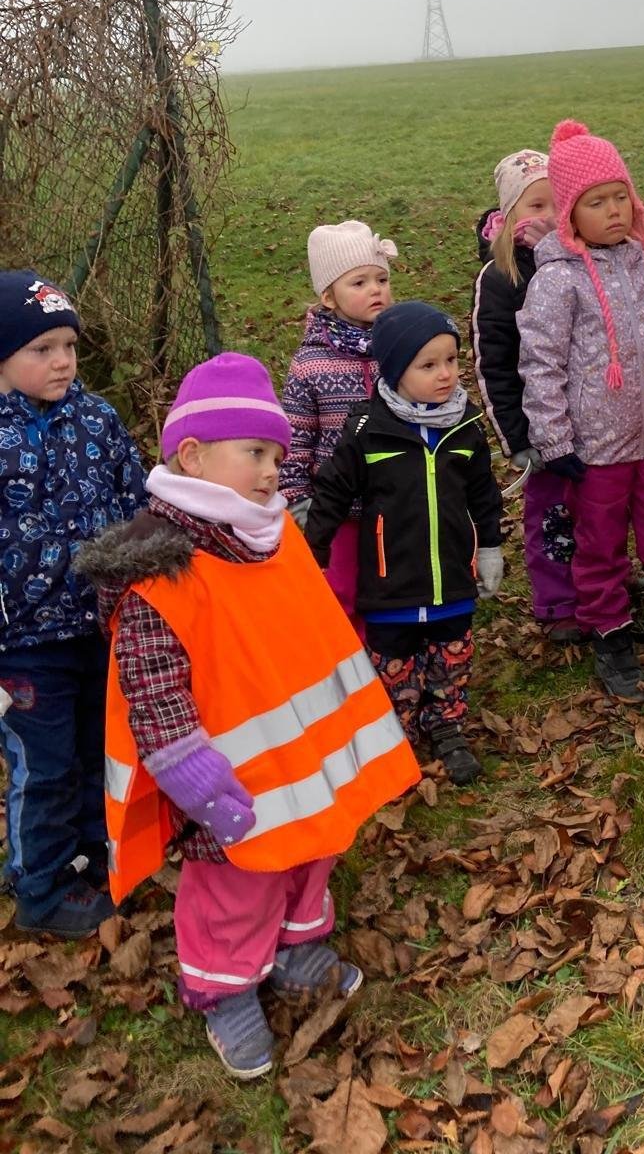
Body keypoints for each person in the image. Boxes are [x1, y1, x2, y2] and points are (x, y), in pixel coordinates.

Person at [76, 353, 419, 1077]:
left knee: (312, 851)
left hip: (305, 759)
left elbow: (311, 630)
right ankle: (223, 987)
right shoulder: (159, 571)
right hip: (227, 777)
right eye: (254, 453)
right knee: (236, 888)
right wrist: (193, 778)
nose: (271, 472)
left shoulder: (269, 534)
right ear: (193, 456)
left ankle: (296, 944)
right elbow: (153, 689)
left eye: (276, 456)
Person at [517, 120, 644, 703]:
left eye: (619, 197)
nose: (613, 211)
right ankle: (609, 627)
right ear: (570, 214)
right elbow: (541, 363)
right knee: (598, 543)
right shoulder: (557, 280)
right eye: (595, 202)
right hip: (594, 450)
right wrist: (554, 439)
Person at [0, 270, 145, 937]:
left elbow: (134, 500)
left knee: (95, 748)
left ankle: (92, 857)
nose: (62, 361)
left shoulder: (97, 419)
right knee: (45, 765)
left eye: (69, 346)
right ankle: (42, 886)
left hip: (94, 624)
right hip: (21, 645)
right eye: (42, 349)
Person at [305, 301, 503, 786]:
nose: (445, 374)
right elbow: (333, 490)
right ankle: (398, 728)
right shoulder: (368, 429)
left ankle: (447, 723)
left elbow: (483, 493)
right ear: (395, 371)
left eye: (451, 360)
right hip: (391, 579)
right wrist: (316, 548)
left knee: (451, 653)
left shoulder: (465, 426)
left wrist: (489, 547)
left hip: (451, 576)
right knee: (395, 659)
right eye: (428, 365)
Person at [471, 150, 579, 641]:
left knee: (600, 507)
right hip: (541, 427)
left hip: (594, 416)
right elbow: (492, 363)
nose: (550, 216)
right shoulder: (500, 277)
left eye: (559, 204)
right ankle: (557, 601)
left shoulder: (585, 258)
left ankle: (604, 577)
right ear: (509, 214)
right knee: (552, 515)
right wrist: (516, 438)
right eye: (536, 205)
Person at [279, 220, 397, 629]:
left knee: (392, 586)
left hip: (396, 501)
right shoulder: (311, 364)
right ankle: (347, 656)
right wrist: (297, 497)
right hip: (337, 508)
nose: (375, 289)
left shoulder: (399, 351)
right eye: (359, 282)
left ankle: (391, 655)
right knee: (340, 592)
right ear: (329, 297)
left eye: (382, 279)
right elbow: (295, 437)